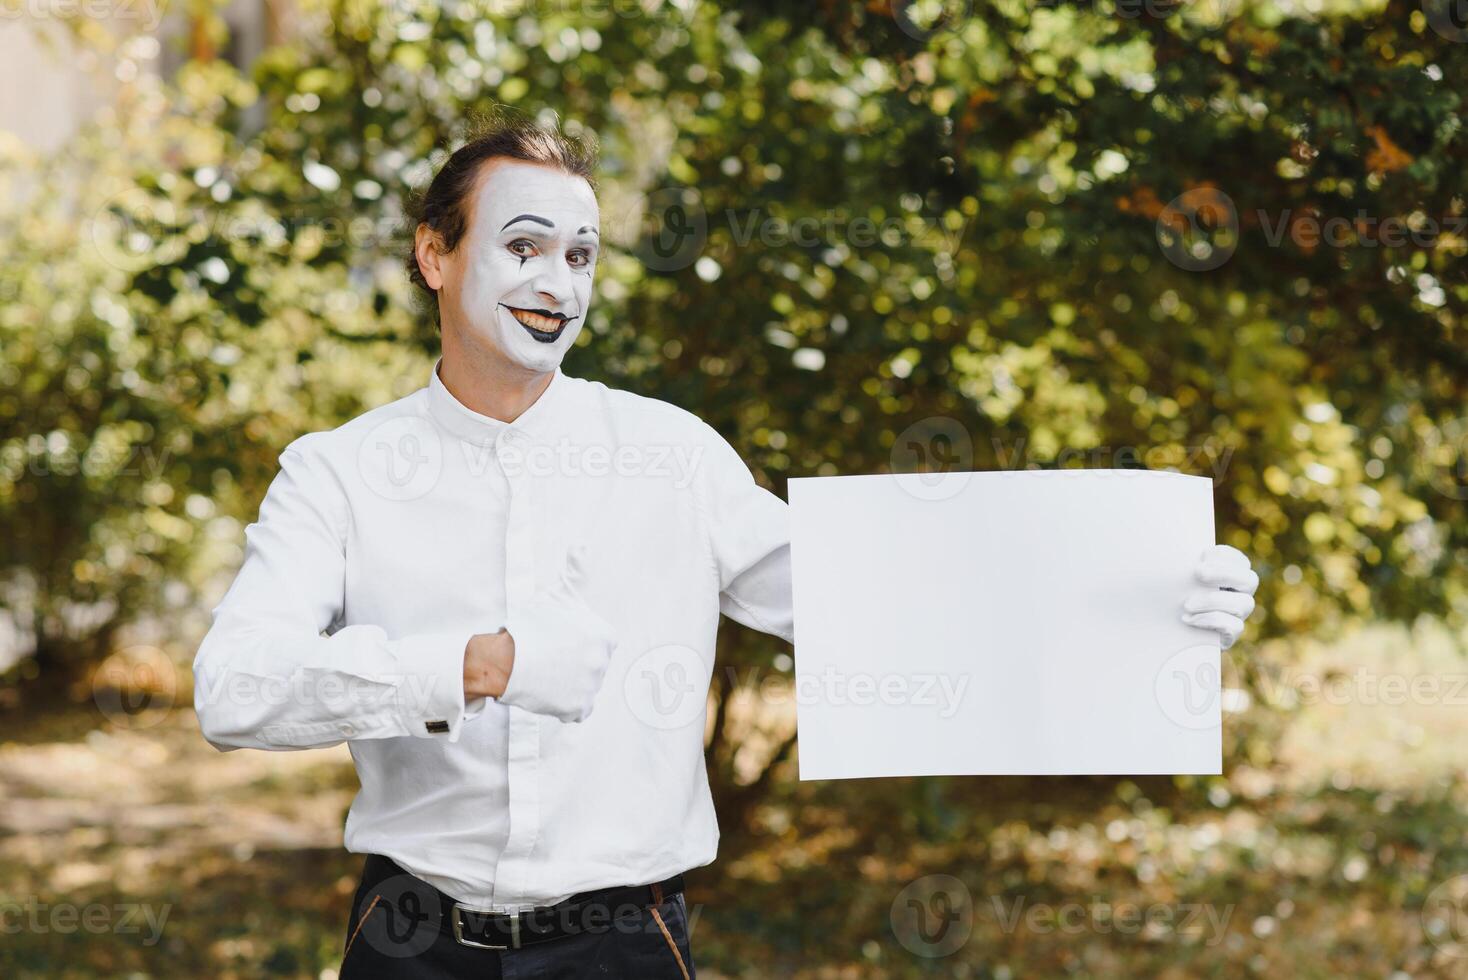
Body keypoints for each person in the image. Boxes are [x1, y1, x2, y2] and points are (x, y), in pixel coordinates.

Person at [190, 115, 1259, 978]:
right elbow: (235, 687)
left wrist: (1144, 592)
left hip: (623, 943)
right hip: (407, 940)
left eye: (579, 254)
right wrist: (480, 663)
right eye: (521, 246)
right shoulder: (335, 470)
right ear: (436, 253)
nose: (555, 281)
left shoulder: (671, 454)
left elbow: (871, 593)